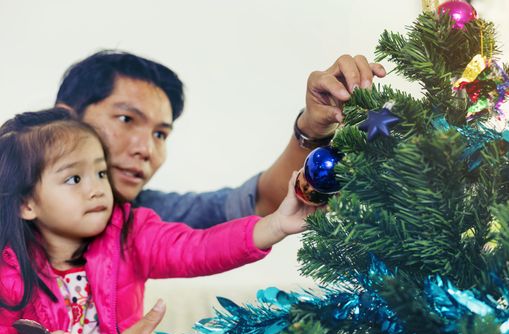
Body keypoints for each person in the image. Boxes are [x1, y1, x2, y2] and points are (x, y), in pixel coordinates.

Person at [0, 108, 315, 334]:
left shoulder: (130, 232)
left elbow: (199, 247)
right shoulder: (7, 274)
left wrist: (275, 225)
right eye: (74, 179)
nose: (97, 188)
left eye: (99, 172)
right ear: (26, 204)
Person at [55, 50, 386, 227]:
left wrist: (313, 128)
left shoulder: (144, 218)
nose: (146, 149)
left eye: (160, 134)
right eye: (126, 119)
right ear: (64, 118)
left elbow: (260, 204)